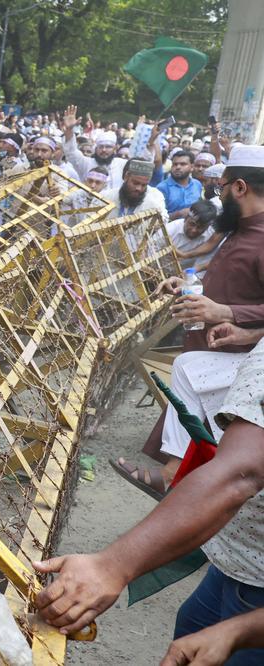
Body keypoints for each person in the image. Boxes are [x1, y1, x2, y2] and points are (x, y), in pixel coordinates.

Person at [34, 326, 264, 665]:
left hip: (254, 583)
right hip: (239, 559)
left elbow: (240, 474)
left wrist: (113, 565)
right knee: (191, 630)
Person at [116, 145, 264, 497]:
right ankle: (173, 475)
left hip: (248, 360)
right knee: (188, 373)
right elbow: (232, 281)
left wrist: (228, 314)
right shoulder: (239, 229)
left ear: (239, 188)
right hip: (220, 344)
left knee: (194, 380)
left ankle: (176, 480)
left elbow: (234, 303)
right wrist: (189, 286)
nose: (216, 195)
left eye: (220, 188)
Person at [61, 106, 127, 189]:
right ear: (95, 148)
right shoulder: (86, 163)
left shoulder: (122, 164)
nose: (104, 150)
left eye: (108, 147)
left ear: (115, 149)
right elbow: (71, 152)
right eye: (100, 147)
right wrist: (69, 129)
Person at [98, 158, 168, 222]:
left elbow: (163, 219)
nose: (139, 188)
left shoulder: (155, 197)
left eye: (144, 185)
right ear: (126, 177)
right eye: (135, 183)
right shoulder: (105, 196)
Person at [167, 200, 219, 276]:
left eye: (200, 227)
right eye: (192, 224)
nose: (194, 230)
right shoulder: (170, 230)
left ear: (208, 227)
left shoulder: (211, 236)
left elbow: (215, 260)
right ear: (186, 218)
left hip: (180, 276)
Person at [157, 150, 203, 219]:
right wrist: (178, 214)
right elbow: (156, 219)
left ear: (192, 167)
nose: (178, 167)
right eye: (175, 164)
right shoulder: (161, 188)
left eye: (183, 164)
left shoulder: (197, 184)